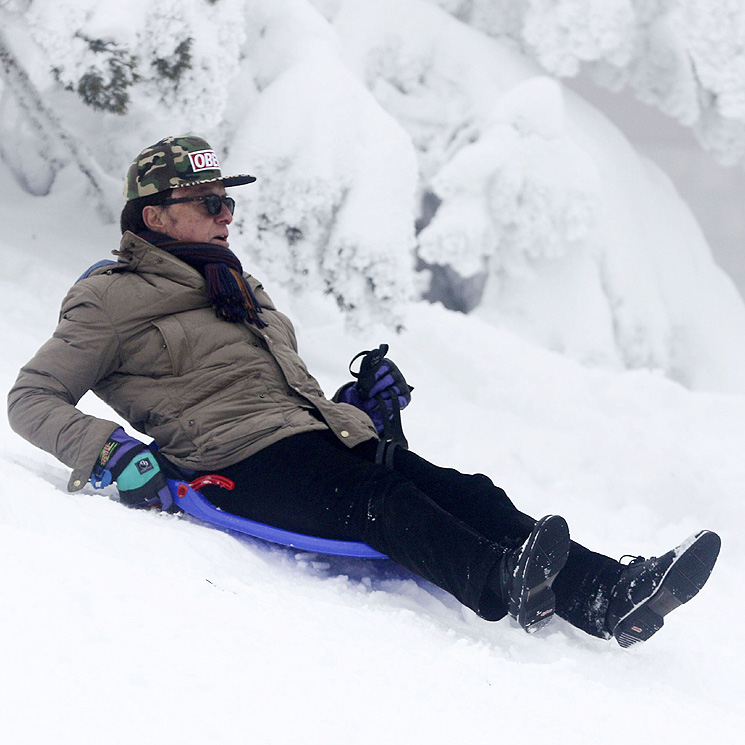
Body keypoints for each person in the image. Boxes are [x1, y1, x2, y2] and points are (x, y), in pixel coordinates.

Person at [7, 135, 721, 647]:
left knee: (470, 491)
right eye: (207, 203)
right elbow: (30, 398)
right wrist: (113, 453)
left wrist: (361, 402)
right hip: (231, 460)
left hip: (315, 435)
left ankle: (609, 596)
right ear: (153, 217)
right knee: (383, 504)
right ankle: (499, 580)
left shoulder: (237, 289)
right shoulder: (108, 298)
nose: (226, 213)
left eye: (227, 202)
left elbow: (280, 388)